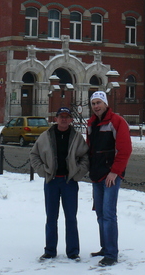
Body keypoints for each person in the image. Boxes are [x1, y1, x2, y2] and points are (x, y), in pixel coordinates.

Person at [30, 106, 89, 261]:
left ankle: (73, 251)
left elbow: (85, 157)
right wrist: (43, 171)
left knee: (71, 218)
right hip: (52, 182)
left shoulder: (76, 137)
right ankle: (50, 250)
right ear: (55, 119)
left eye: (66, 116)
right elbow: (34, 154)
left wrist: (78, 172)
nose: (63, 119)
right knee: (51, 217)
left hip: (69, 182)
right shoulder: (46, 136)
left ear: (71, 120)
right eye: (60, 116)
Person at [86, 90, 132, 267]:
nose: (96, 106)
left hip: (110, 176)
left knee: (109, 214)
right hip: (97, 175)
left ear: (105, 104)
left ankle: (112, 253)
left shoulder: (117, 122)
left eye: (99, 102)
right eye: (93, 103)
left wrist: (115, 172)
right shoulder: (92, 123)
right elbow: (90, 149)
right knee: (100, 214)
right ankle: (105, 247)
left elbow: (124, 150)